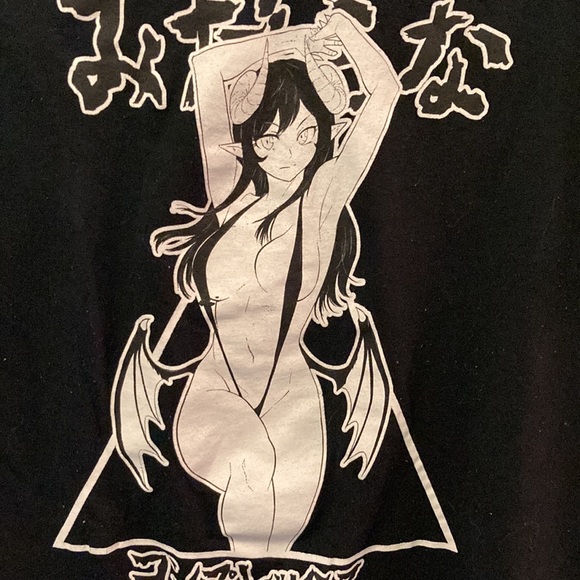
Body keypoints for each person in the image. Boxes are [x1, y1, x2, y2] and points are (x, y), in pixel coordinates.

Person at [116, 12, 401, 557]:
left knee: (276, 546)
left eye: (307, 136)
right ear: (251, 139)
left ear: (322, 140)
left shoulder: (320, 203)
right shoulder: (229, 193)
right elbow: (210, 66)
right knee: (251, 468)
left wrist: (343, 30)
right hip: (215, 389)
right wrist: (297, 40)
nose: (288, 152)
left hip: (293, 400)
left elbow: (384, 91)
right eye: (271, 137)